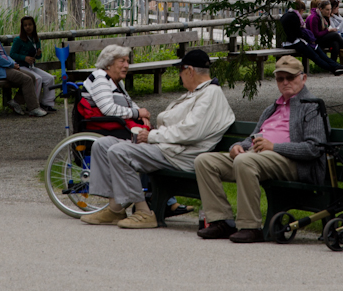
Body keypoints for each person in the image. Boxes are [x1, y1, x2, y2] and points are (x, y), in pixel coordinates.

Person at [80, 50, 236, 229]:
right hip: (169, 148)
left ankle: (144, 212)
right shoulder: (197, 93)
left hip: (180, 155)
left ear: (190, 71)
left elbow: (190, 131)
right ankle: (115, 207)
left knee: (119, 151)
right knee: (102, 144)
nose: (180, 76)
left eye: (180, 71)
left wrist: (152, 136)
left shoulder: (210, 95)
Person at [194, 56, 328, 243]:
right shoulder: (272, 107)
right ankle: (220, 221)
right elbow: (254, 137)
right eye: (280, 78)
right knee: (205, 161)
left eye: (290, 77)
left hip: (293, 163)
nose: (285, 82)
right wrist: (237, 147)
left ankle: (250, 226)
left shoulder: (312, 107)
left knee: (245, 161)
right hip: (258, 158)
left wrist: (274, 147)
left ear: (303, 78)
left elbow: (314, 148)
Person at [0, 18, 46, 117]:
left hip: (8, 67)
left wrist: (14, 64)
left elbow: (6, 55)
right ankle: (33, 108)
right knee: (26, 79)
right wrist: (12, 65)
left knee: (32, 77)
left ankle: (16, 102)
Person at [79, 45, 151, 135]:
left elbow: (129, 102)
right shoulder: (100, 78)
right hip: (103, 128)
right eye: (122, 61)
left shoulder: (117, 82)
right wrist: (137, 113)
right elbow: (108, 109)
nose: (126, 65)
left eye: (127, 61)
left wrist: (141, 115)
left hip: (116, 124)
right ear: (109, 64)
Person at [279, 1, 343, 75]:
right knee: (315, 56)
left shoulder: (287, 15)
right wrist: (308, 39)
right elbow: (297, 33)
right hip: (293, 42)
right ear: (301, 10)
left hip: (291, 41)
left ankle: (336, 66)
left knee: (317, 52)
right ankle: (334, 68)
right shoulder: (294, 17)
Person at [9, 15, 56, 112]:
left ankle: (47, 103)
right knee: (37, 79)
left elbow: (37, 57)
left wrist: (38, 54)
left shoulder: (36, 39)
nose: (28, 27)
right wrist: (24, 58)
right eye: (25, 25)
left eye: (30, 24)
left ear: (34, 26)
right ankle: (34, 104)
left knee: (49, 78)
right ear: (22, 27)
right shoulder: (18, 40)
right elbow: (12, 54)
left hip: (31, 66)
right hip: (21, 66)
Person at [306, 0, 343, 69]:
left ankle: (334, 66)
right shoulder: (314, 17)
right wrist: (328, 30)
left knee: (335, 43)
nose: (329, 12)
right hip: (314, 41)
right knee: (335, 35)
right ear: (321, 9)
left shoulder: (322, 17)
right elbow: (316, 35)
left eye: (330, 9)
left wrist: (328, 30)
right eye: (327, 10)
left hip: (321, 38)